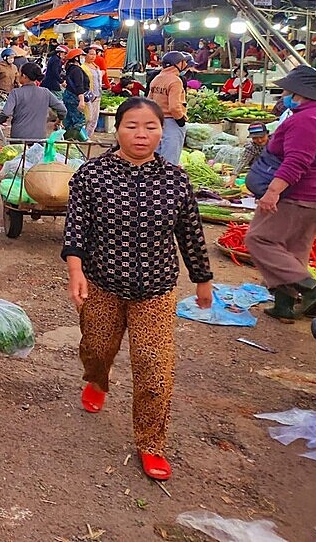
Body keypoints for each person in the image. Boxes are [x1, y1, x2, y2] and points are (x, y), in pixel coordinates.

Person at [63, 97, 212, 482]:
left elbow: (191, 235)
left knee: (154, 370)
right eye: (132, 125)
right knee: (96, 349)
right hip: (102, 283)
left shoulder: (175, 180)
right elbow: (76, 229)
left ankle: (151, 443)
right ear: (117, 129)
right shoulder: (90, 176)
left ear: (163, 131)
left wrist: (202, 279)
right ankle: (97, 379)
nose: (141, 134)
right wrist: (75, 271)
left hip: (156, 290)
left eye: (150, 127)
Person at [244, 66, 316, 321]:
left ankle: (311, 288)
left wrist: (273, 191)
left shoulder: (307, 119)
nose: (285, 93)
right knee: (293, 249)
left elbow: (297, 160)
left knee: (259, 239)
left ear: (301, 91)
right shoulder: (311, 115)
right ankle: (285, 306)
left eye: (289, 89)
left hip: (296, 194)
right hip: (312, 198)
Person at [0, 63, 67, 141]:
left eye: (19, 73)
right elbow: (63, 110)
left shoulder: (16, 93)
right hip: (39, 137)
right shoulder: (45, 92)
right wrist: (59, 120)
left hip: (18, 136)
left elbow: (6, 113)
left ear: (24, 76)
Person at [149, 51, 190, 164]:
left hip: (157, 121)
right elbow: (174, 106)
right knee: (170, 160)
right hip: (172, 122)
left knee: (156, 157)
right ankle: (167, 180)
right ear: (178, 63)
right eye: (184, 62)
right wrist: (180, 120)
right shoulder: (175, 81)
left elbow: (148, 102)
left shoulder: (156, 79)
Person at [61, 48, 89, 141]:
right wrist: (81, 100)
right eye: (82, 56)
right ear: (76, 58)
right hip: (74, 98)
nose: (83, 58)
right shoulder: (77, 69)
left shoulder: (70, 68)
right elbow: (79, 86)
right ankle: (73, 141)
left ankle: (66, 140)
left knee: (69, 120)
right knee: (78, 121)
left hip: (68, 96)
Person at [83, 44, 105, 139]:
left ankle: (88, 137)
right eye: (91, 54)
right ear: (85, 55)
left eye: (94, 54)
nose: (93, 56)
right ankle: (82, 137)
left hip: (97, 95)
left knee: (95, 118)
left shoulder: (96, 66)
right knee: (88, 118)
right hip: (88, 96)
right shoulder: (83, 67)